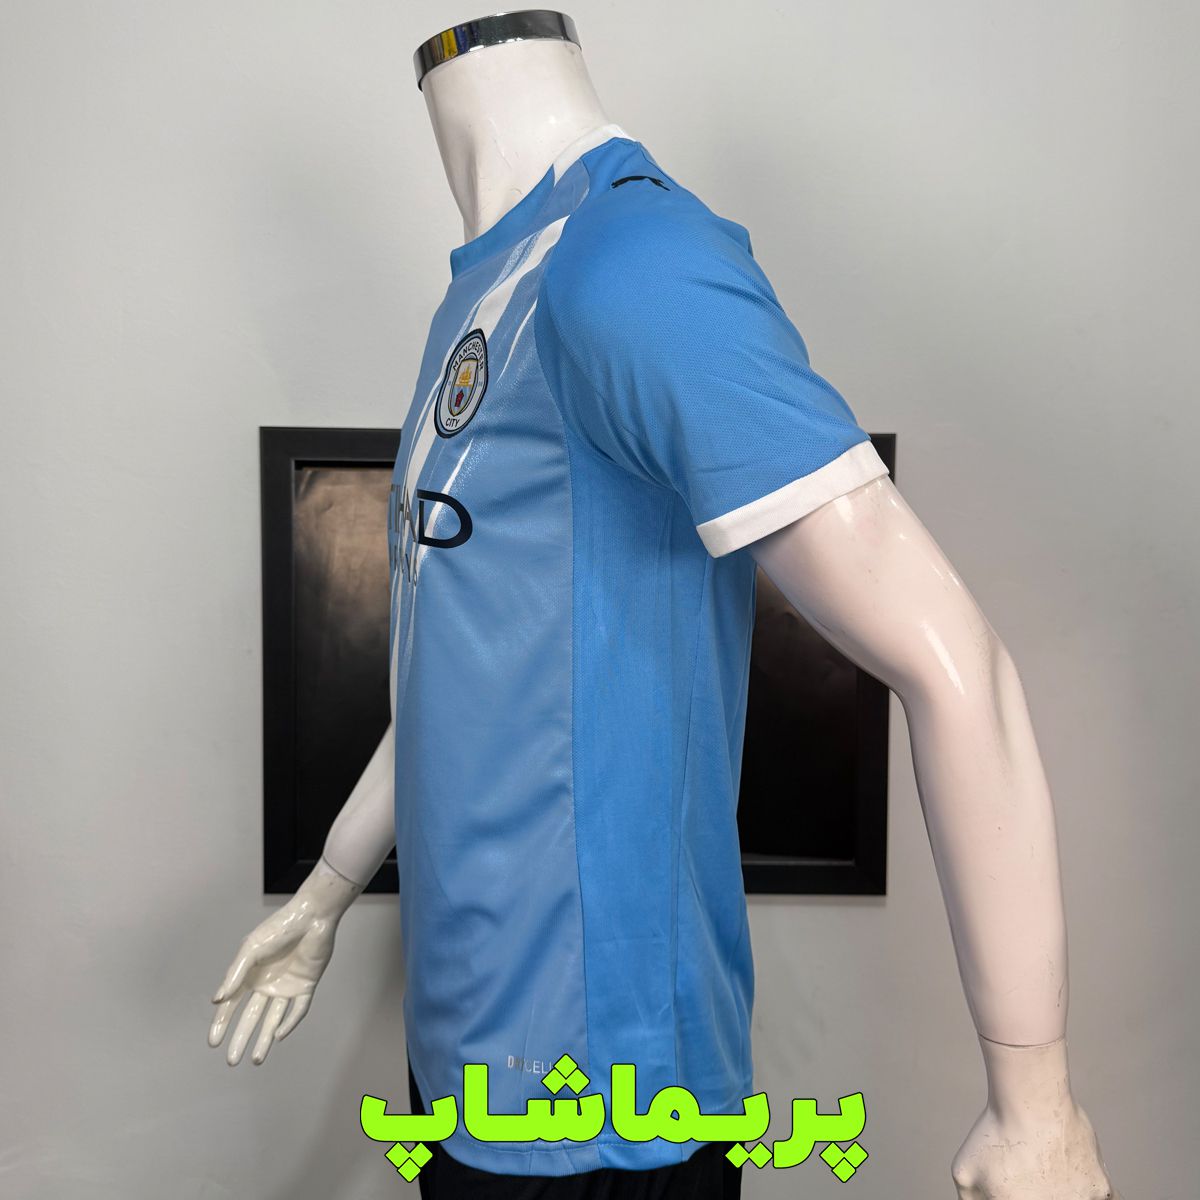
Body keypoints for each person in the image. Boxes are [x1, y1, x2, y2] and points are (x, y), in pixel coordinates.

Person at [209, 11, 1120, 1199]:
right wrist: (331, 888)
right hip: (466, 1061)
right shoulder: (484, 290)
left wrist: (1034, 1103)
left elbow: (957, 664)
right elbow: (462, 665)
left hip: (607, 1103)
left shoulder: (632, 265)